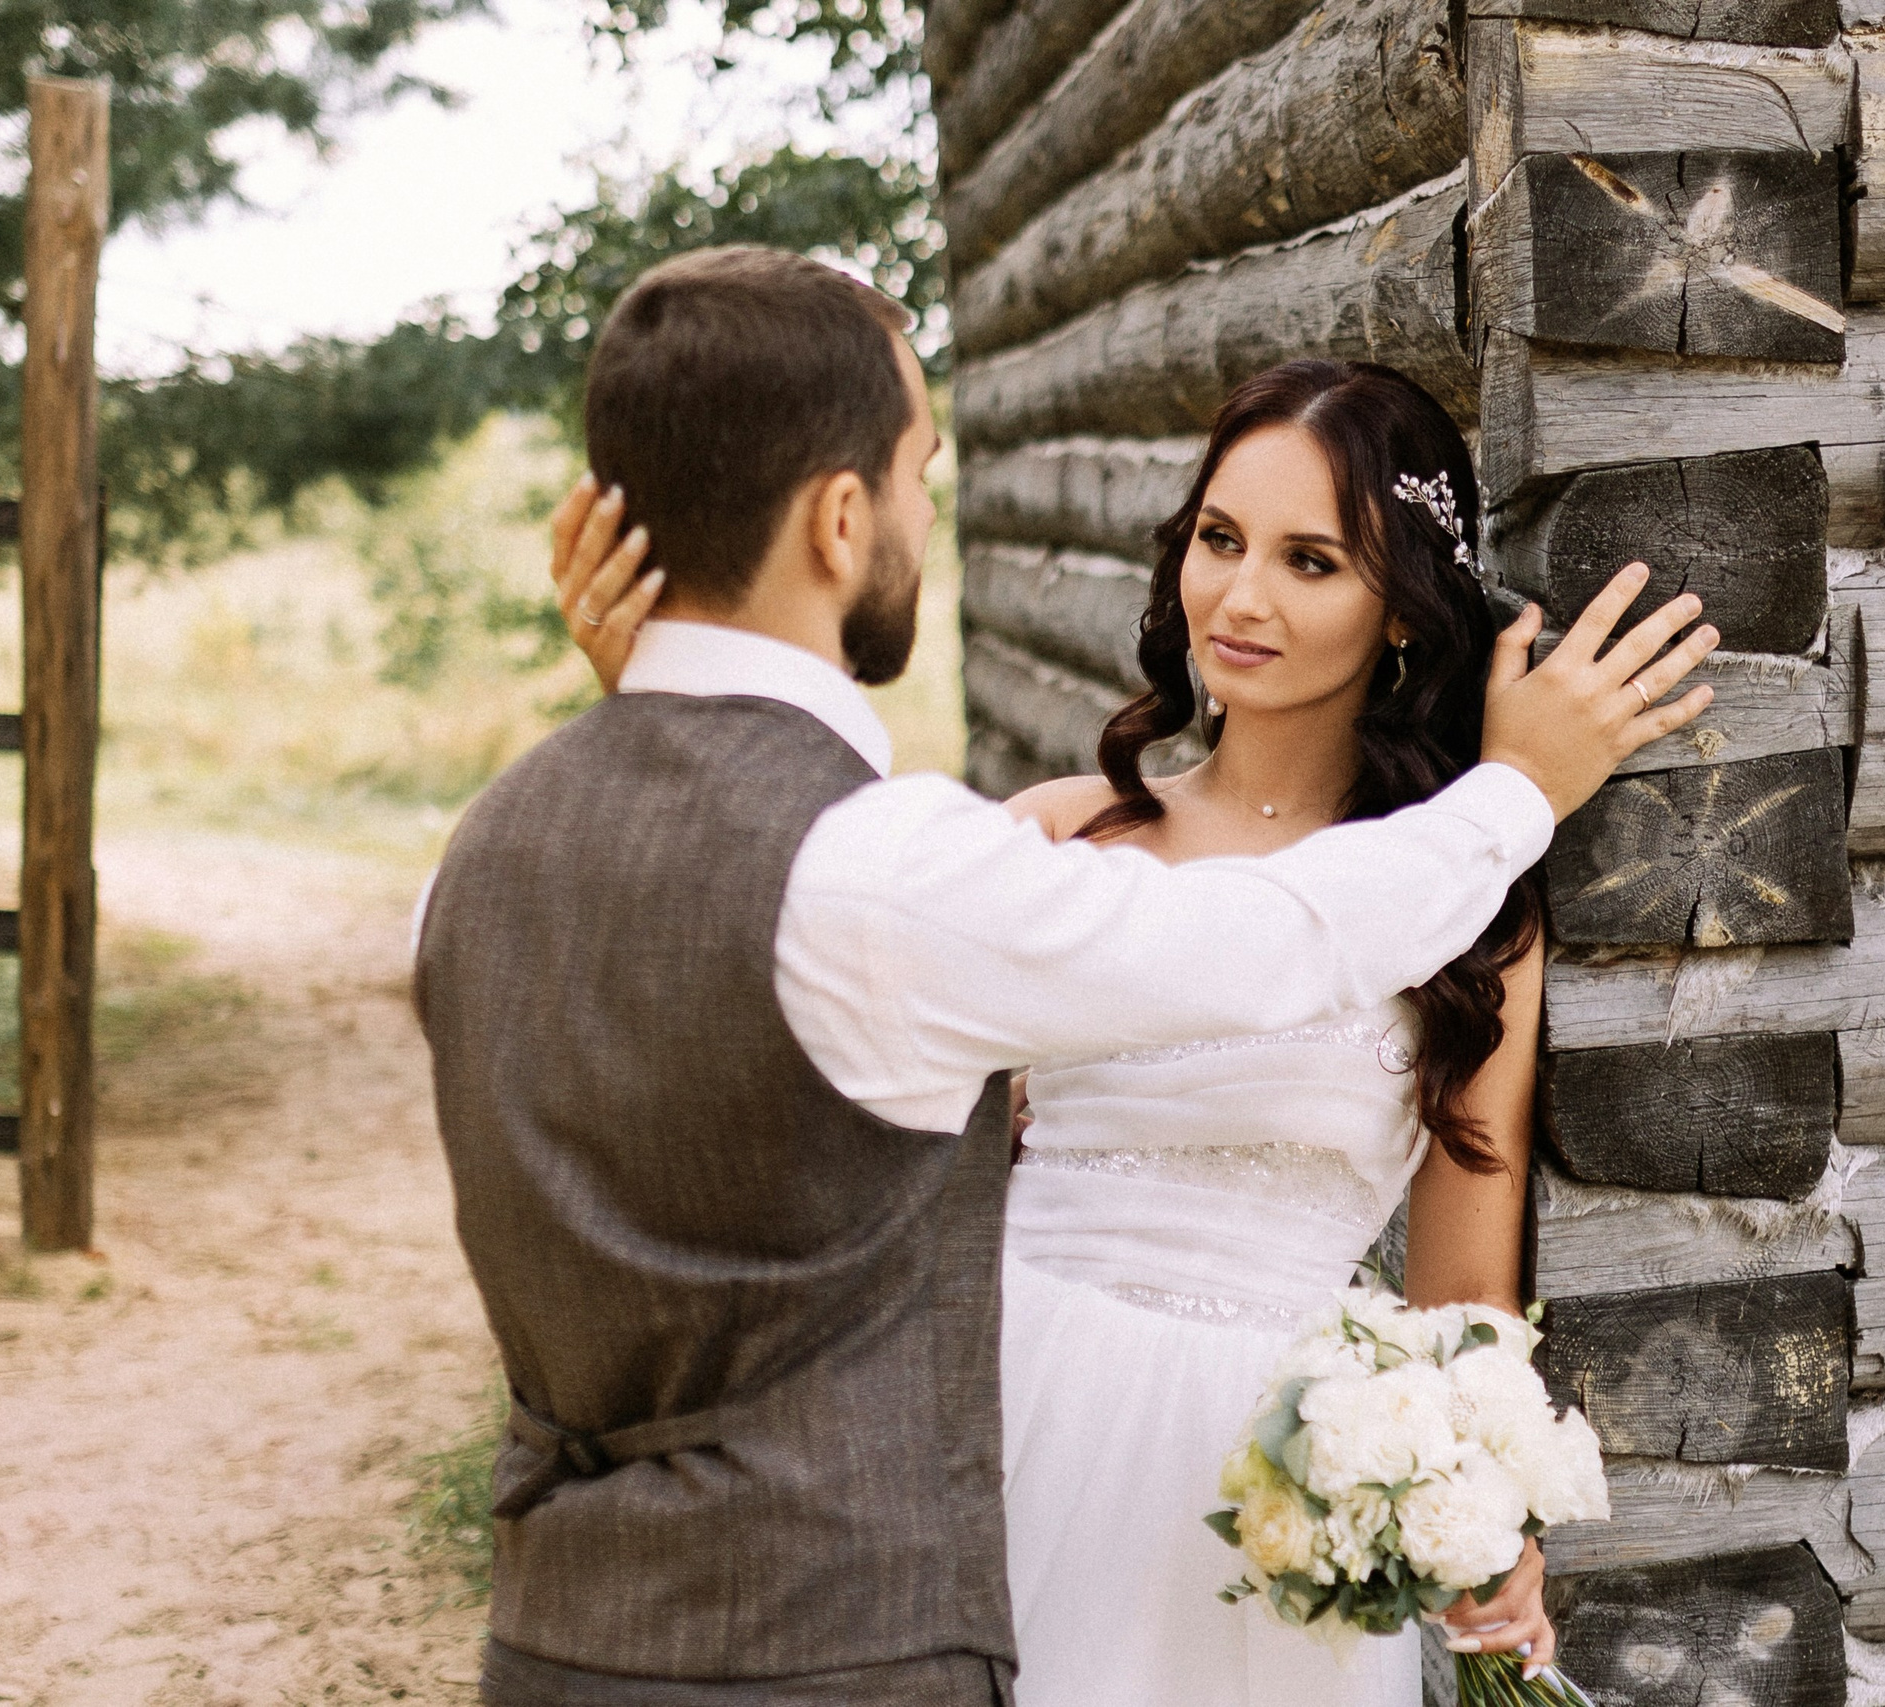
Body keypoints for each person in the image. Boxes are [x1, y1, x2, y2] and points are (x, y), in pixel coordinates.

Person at [420, 244, 1715, 1707]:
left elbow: (1461, 1288)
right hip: (1000, 1406)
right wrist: (1520, 788)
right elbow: (779, 964)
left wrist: (1474, 1494)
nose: (1243, 593)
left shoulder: (1474, 922)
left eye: (1312, 559)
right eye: (1219, 537)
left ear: (1400, 604)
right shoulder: (1049, 837)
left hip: (1269, 1471)